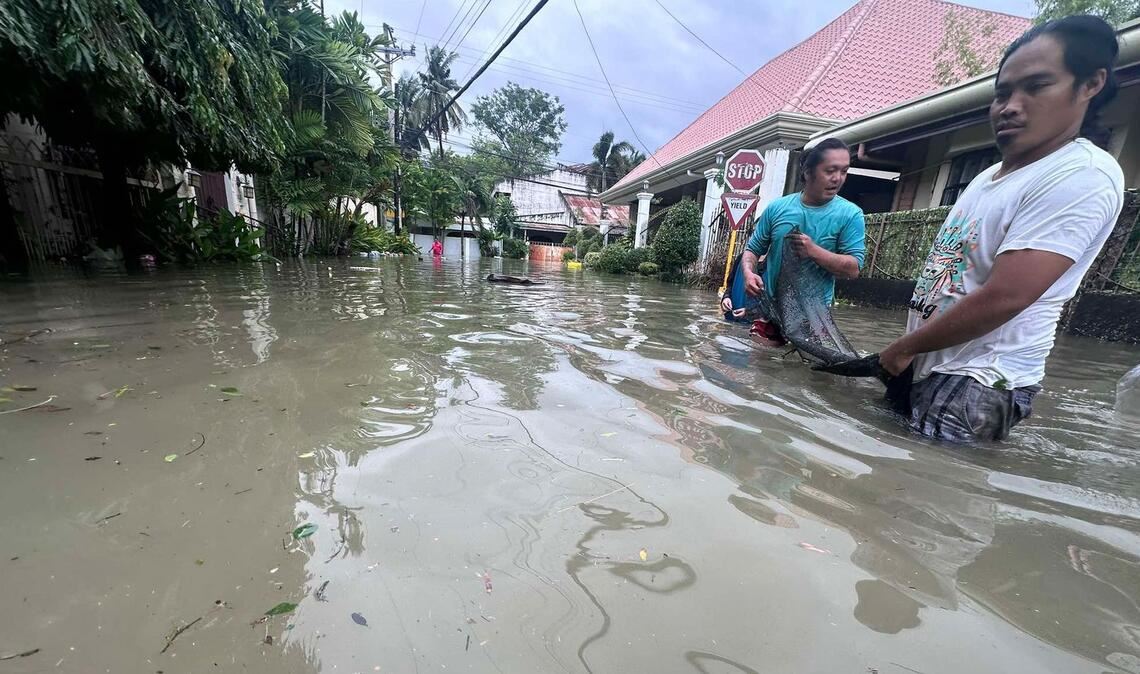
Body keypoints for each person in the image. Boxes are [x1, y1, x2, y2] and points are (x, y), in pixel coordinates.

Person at [876, 15, 1124, 442]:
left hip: (978, 382)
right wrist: (910, 352)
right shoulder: (988, 176)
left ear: (1090, 85)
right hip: (928, 364)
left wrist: (903, 349)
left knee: (925, 500)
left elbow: (1007, 296)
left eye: (1036, 86)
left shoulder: (1080, 175)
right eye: (1002, 93)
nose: (1010, 105)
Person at [721, 138, 866, 344]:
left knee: (806, 373)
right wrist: (748, 274)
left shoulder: (851, 215)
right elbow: (752, 250)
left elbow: (853, 269)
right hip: (769, 310)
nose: (838, 179)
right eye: (830, 171)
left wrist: (814, 251)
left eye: (844, 171)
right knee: (758, 370)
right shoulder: (777, 209)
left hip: (813, 316)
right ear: (808, 173)